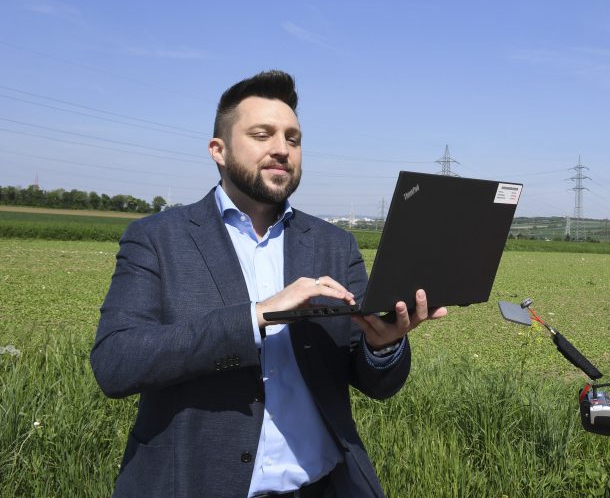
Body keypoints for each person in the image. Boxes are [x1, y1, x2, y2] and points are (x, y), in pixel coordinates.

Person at [91, 70, 446, 498]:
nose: (281, 149)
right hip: (194, 484)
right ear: (218, 151)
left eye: (293, 139)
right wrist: (256, 316)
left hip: (323, 487)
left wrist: (383, 345)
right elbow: (116, 363)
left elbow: (375, 383)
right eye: (262, 135)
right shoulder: (157, 238)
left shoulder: (335, 245)